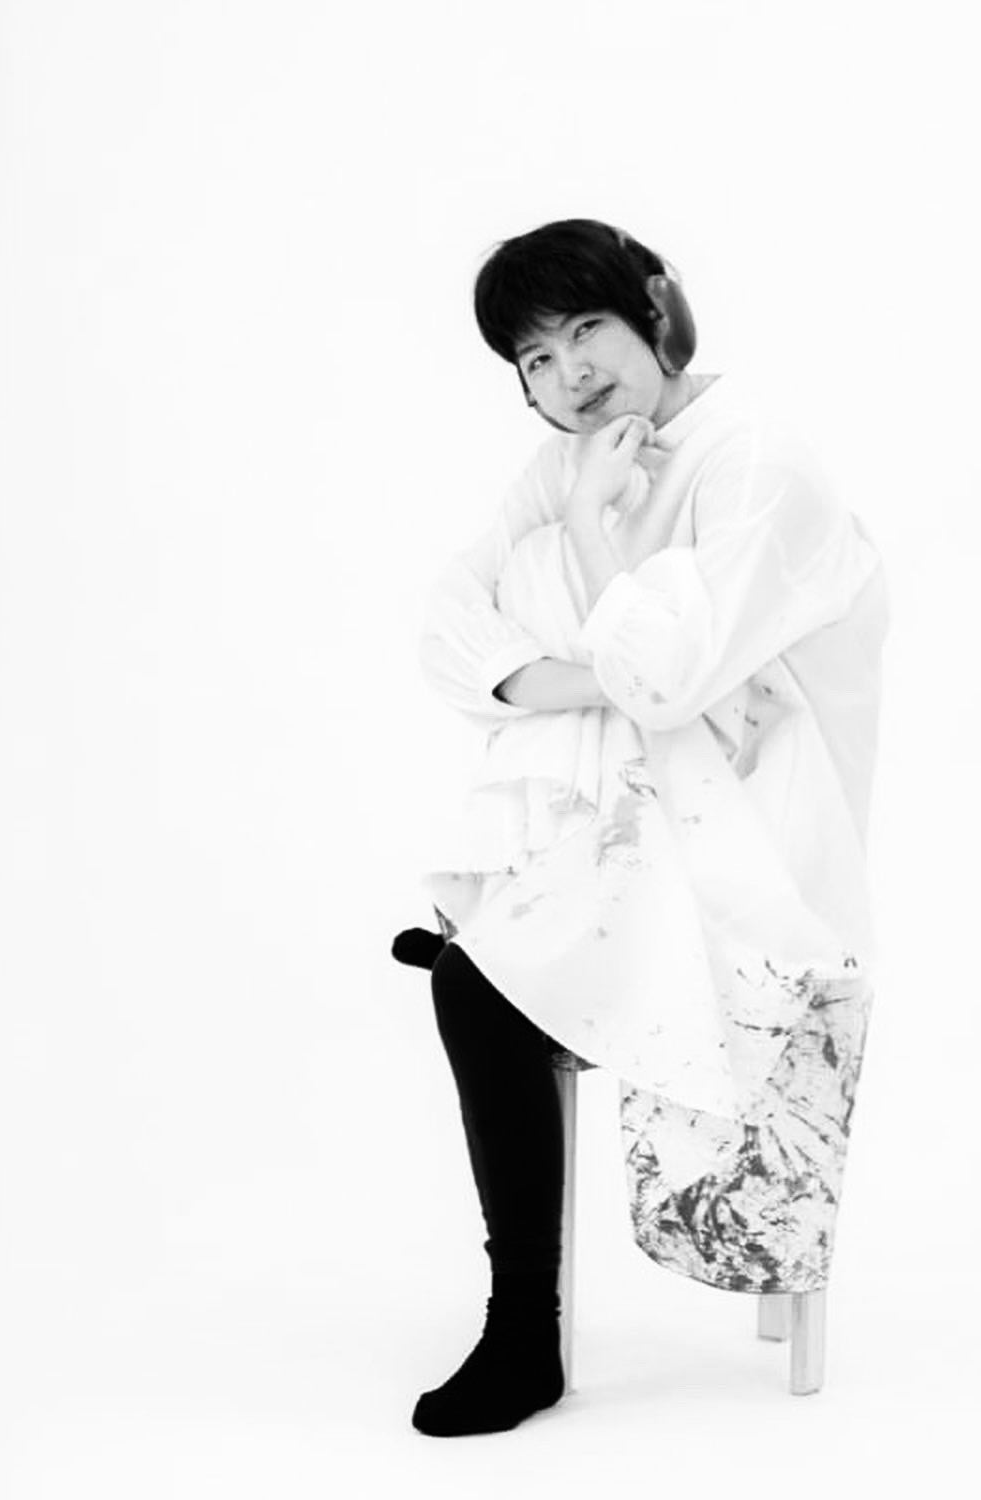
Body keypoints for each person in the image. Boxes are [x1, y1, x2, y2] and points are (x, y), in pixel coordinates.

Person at [393, 218, 888, 1437]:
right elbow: (446, 624)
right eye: (534, 357)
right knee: (486, 973)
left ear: (655, 311)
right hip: (644, 812)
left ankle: (524, 1337)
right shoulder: (569, 457)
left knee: (476, 990)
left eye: (586, 330)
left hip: (755, 844)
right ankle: (498, 938)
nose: (567, 373)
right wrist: (582, 677)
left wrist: (596, 532)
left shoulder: (755, 462)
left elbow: (664, 678)